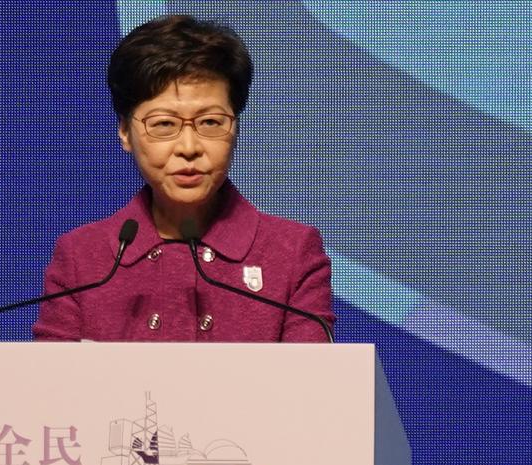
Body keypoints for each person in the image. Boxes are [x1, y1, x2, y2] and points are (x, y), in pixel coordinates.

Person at [32, 15, 334, 342]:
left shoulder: (291, 253)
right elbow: (52, 388)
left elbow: (312, 388)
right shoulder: (82, 259)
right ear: (125, 132)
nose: (189, 148)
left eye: (210, 122)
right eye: (163, 124)